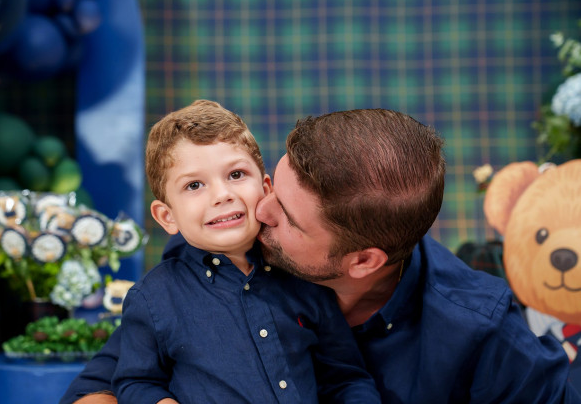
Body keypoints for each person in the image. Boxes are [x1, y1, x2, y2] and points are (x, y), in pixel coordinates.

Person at [61, 108, 581, 403]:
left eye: (286, 216)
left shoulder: (479, 328)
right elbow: (107, 381)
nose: (255, 209)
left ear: (362, 261)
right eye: (272, 184)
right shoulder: (212, 259)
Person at [101, 100, 381, 404]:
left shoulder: (305, 279)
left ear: (266, 189)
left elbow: (346, 378)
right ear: (167, 216)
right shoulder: (152, 298)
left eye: (236, 175)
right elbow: (136, 382)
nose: (222, 195)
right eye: (194, 185)